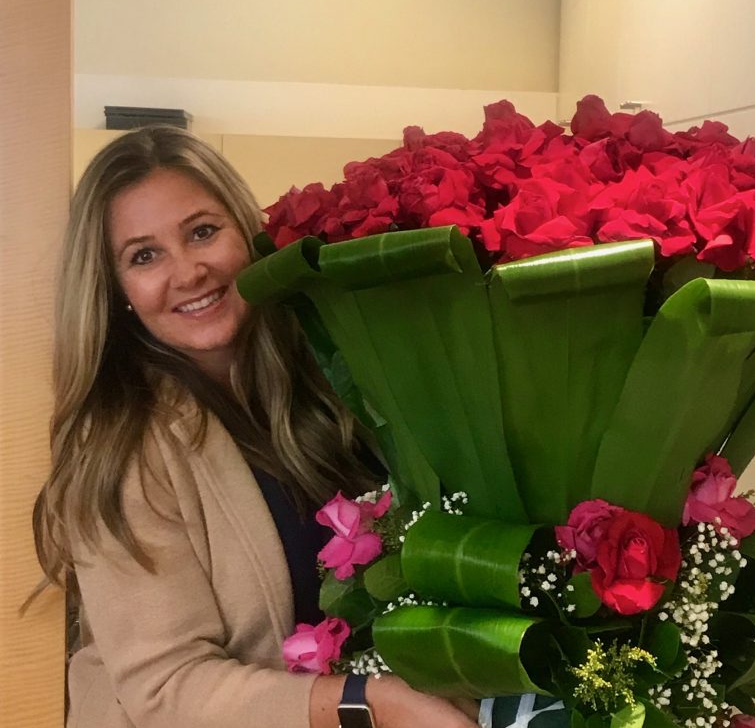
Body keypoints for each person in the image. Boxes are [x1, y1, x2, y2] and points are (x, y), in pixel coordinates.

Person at [30, 125, 478, 728]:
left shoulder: (331, 372)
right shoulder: (120, 443)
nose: (188, 272)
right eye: (144, 255)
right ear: (115, 291)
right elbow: (166, 688)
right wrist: (368, 701)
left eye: (202, 232)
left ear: (246, 232)